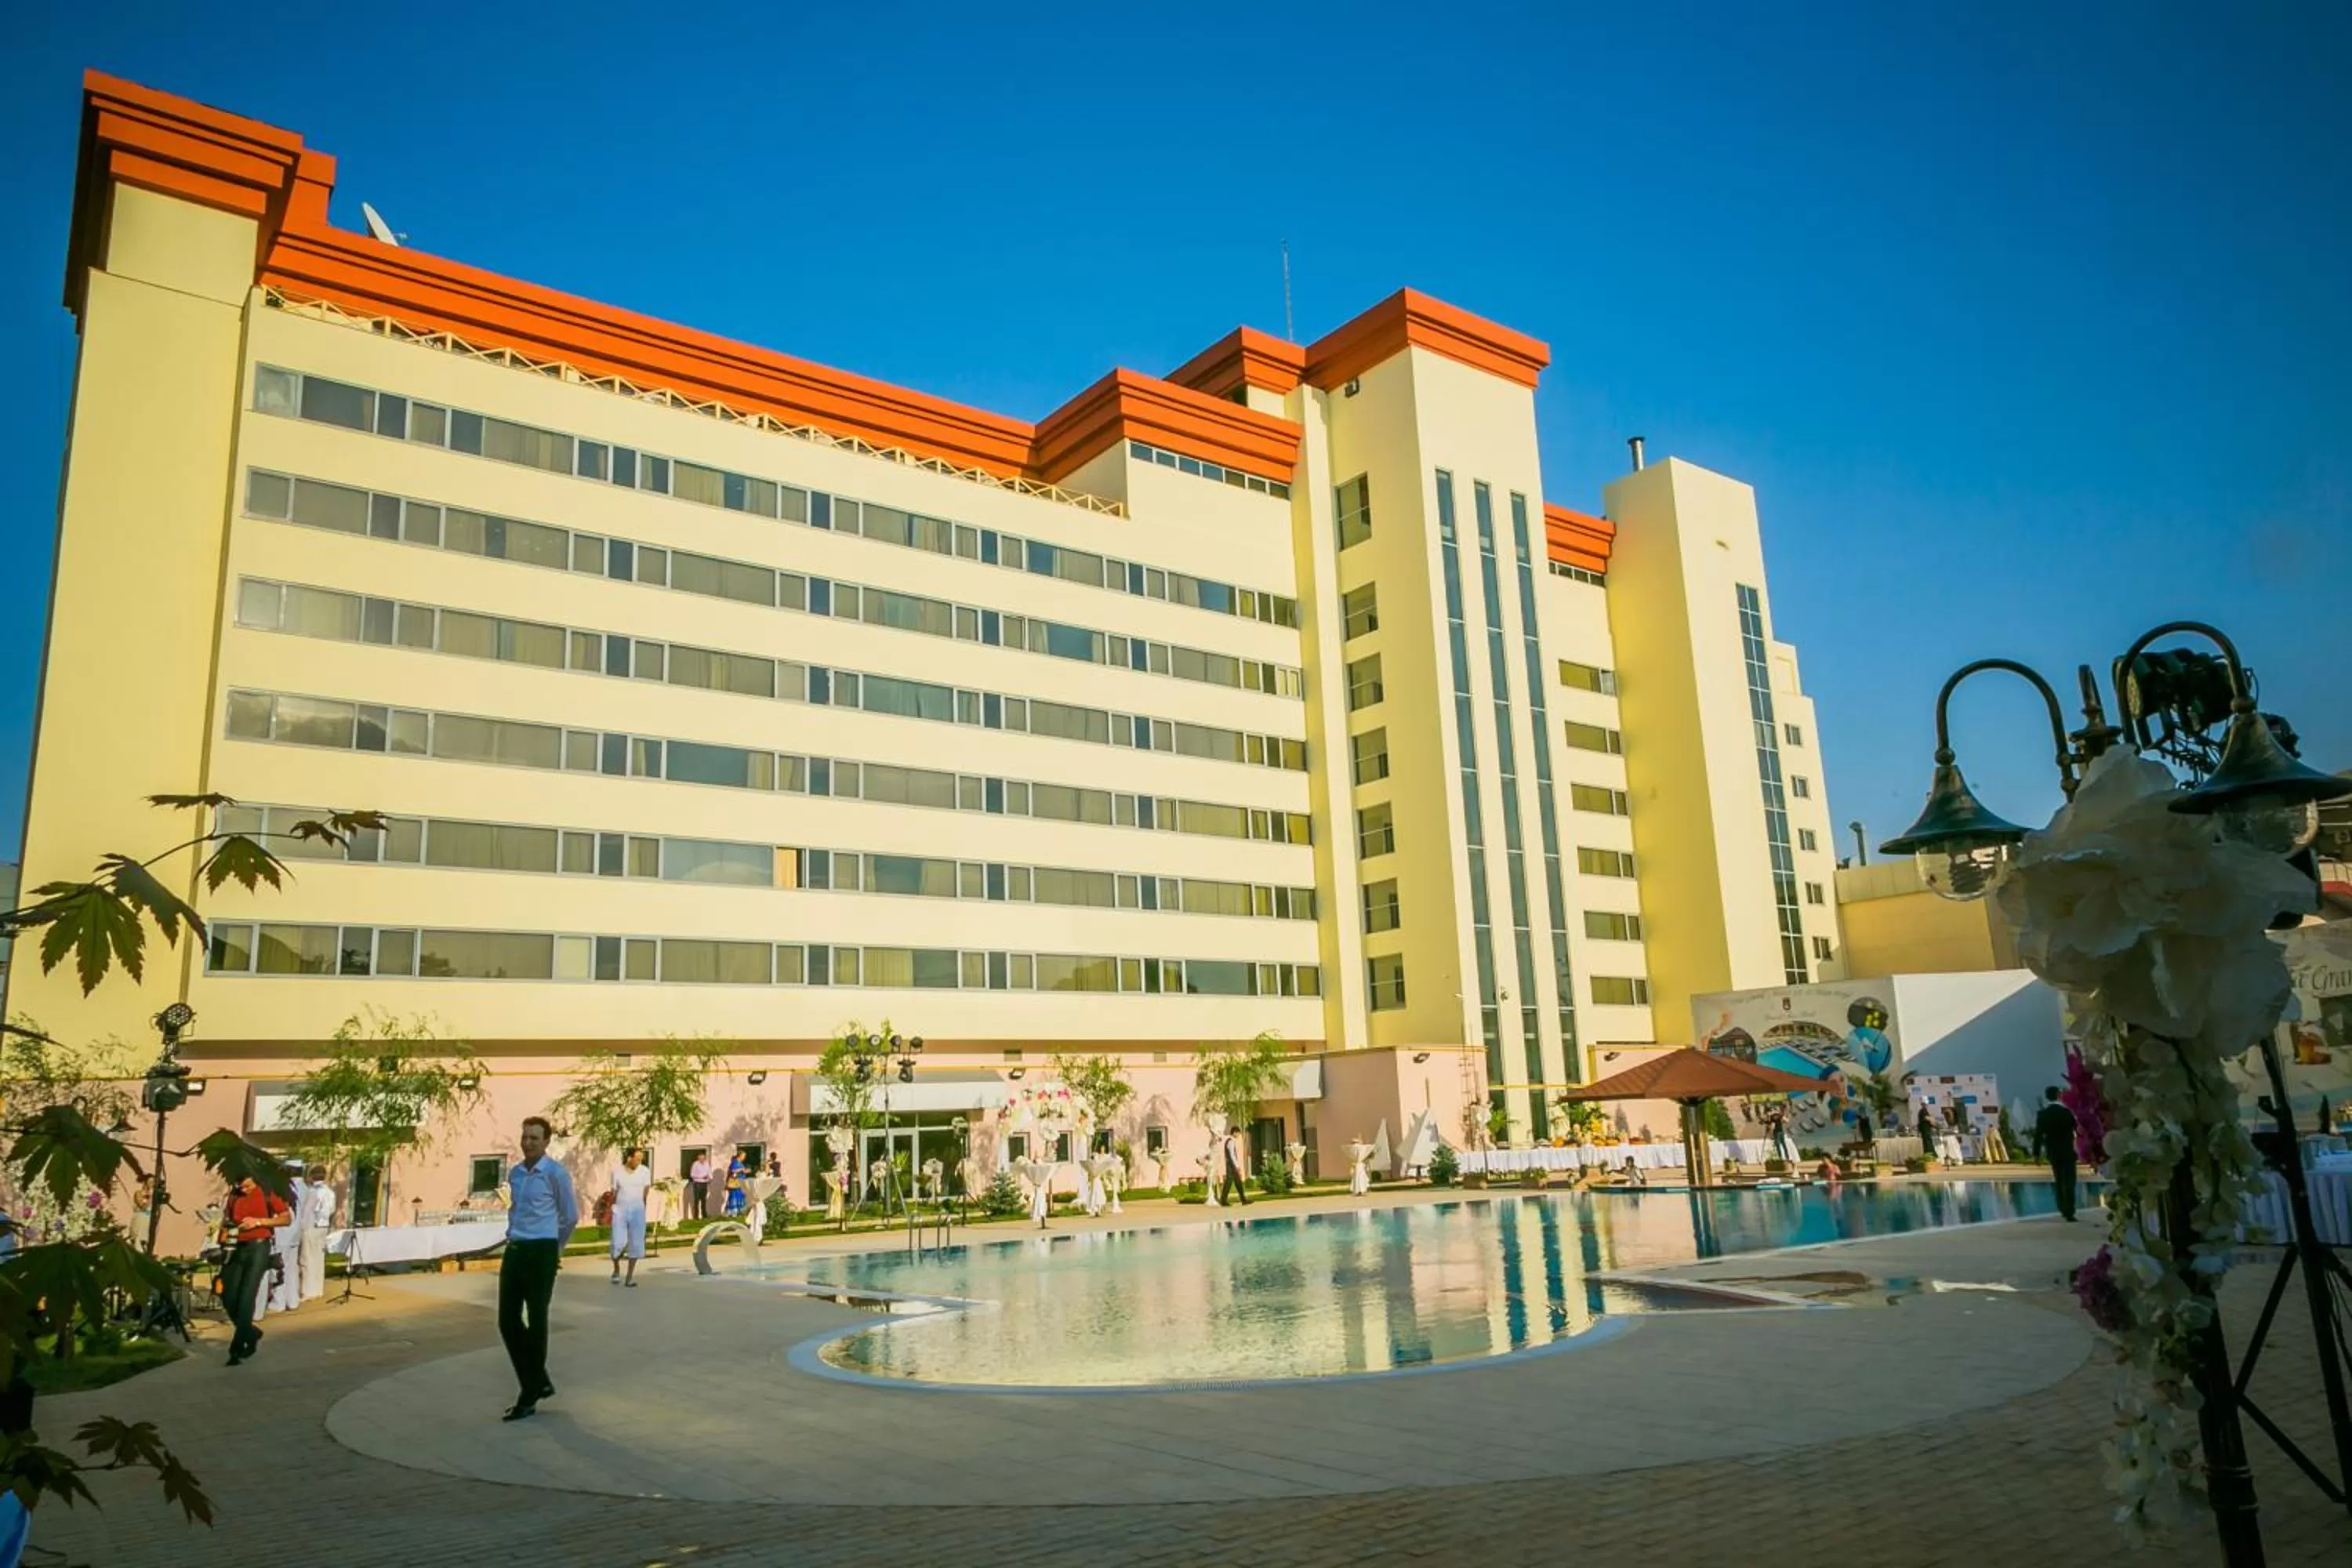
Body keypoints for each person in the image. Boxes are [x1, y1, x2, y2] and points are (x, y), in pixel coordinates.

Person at [499, 1115, 577, 1421]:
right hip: (516, 1247)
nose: (528, 1143)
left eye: (534, 1138)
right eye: (525, 1137)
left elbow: (569, 1217)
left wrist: (556, 1248)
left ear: (546, 1142)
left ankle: (528, 1394)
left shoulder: (555, 1174)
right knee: (507, 1320)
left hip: (542, 1249)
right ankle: (539, 1380)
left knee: (536, 1317)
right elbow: (515, 1209)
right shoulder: (517, 1173)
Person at [217, 1175, 292, 1366]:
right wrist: (221, 1238)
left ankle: (237, 1348)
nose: (244, 1189)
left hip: (258, 1246)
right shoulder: (234, 1195)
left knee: (247, 1296)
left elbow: (286, 1218)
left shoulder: (267, 1191)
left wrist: (259, 1222)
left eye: (247, 1186)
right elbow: (227, 1220)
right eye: (240, 1186)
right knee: (228, 1295)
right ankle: (251, 1332)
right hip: (235, 1246)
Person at [608, 1147, 653, 1287]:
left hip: (637, 1211)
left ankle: (629, 1278)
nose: (639, 1162)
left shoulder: (644, 1171)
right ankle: (616, 1269)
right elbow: (614, 1191)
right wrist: (612, 1209)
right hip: (620, 1210)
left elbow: (646, 1189)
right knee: (617, 1242)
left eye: (641, 1159)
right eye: (637, 1159)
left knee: (636, 1243)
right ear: (629, 1158)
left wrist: (643, 1204)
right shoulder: (617, 1172)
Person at [2035, 1087, 2081, 1222]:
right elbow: (2078, 1129)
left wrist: (2036, 1154)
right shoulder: (2067, 1113)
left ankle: (2062, 1207)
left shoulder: (2043, 1114)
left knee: (2059, 1180)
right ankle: (2070, 1210)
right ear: (2059, 1095)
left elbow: (2038, 1136)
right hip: (2068, 1151)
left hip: (2053, 1152)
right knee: (2070, 1181)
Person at [268, 1161, 307, 1315]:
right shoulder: (304, 1187)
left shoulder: (283, 1188)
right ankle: (292, 1300)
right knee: (292, 1268)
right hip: (295, 1232)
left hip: (283, 1232)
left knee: (278, 1266)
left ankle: (278, 1301)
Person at [298, 1164, 336, 1301]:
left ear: (311, 1177)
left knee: (307, 1258)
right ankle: (318, 1289)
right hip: (324, 1226)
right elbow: (331, 1210)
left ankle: (308, 1291)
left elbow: (309, 1210)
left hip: (312, 1226)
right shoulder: (330, 1192)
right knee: (319, 1258)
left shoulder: (312, 1191)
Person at [1216, 1131, 1250, 1206]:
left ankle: (1242, 1199)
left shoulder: (1229, 1141)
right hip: (1232, 1165)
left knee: (1237, 1182)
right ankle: (1224, 1200)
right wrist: (1237, 1166)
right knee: (1230, 1182)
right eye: (1238, 1133)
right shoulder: (1231, 1142)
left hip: (1230, 1164)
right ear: (1234, 1132)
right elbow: (1232, 1155)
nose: (1238, 1135)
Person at [687, 1151, 713, 1221]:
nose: (702, 1159)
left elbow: (709, 1172)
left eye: (703, 1158)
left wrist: (710, 1178)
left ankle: (704, 1214)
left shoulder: (707, 1164)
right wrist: (701, 1177)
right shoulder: (695, 1164)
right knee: (697, 1200)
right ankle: (696, 1216)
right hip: (697, 1183)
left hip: (705, 1183)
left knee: (704, 1200)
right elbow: (692, 1175)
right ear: (698, 1158)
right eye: (700, 1158)